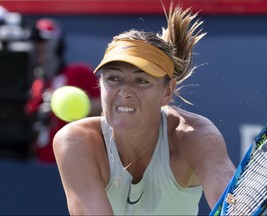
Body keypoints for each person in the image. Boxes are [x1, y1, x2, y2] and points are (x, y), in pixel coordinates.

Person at [53, 4, 235, 215]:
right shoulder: (76, 141)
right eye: (113, 78)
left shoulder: (195, 136)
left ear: (167, 91)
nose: (125, 92)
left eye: (141, 81)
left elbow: (230, 200)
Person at [25, 18, 102, 162]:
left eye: (43, 41)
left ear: (57, 44)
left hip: (75, 163)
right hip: (39, 165)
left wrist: (70, 108)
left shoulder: (78, 72)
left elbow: (107, 107)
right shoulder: (35, 84)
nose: (38, 46)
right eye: (35, 41)